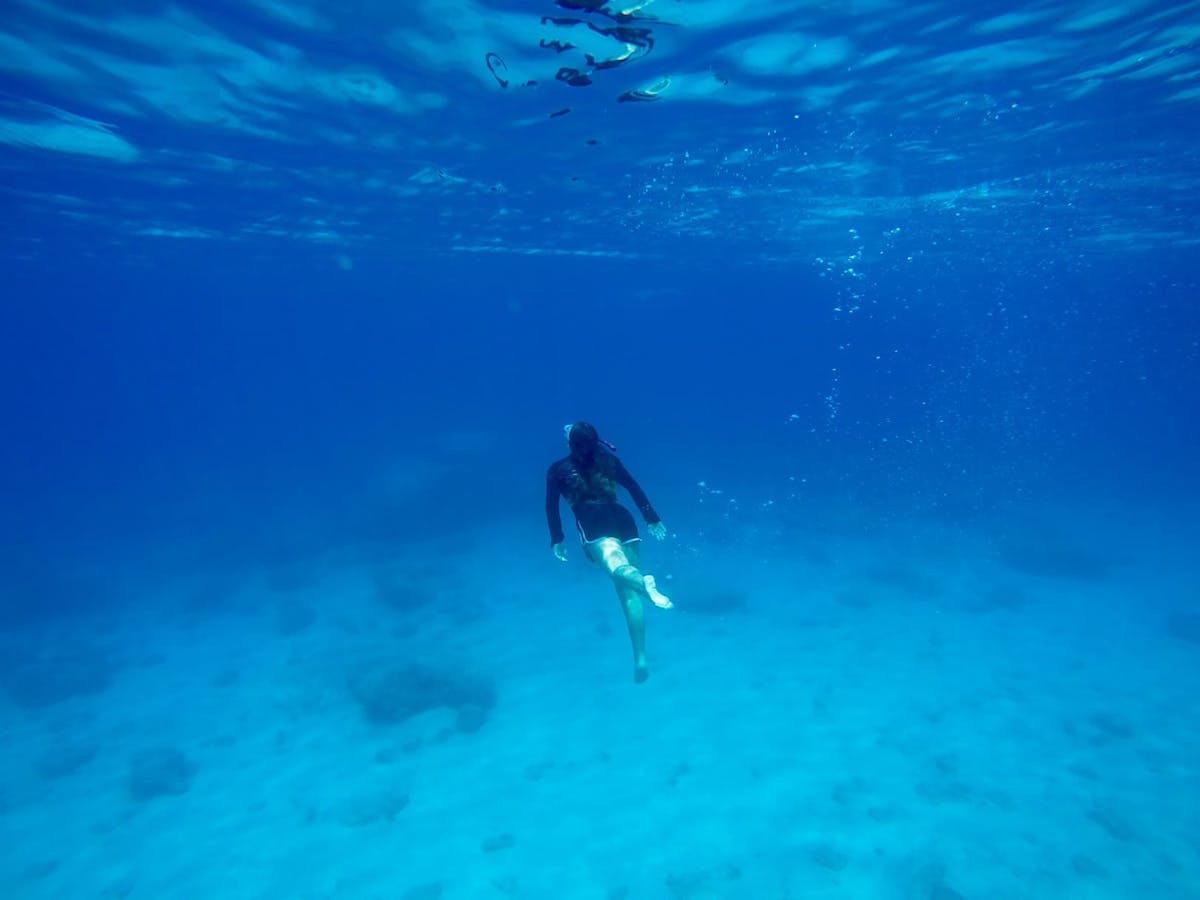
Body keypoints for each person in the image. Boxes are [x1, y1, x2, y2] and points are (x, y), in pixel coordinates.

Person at [545, 422, 673, 683]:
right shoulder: (609, 461)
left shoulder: (557, 470)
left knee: (619, 571)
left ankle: (644, 581)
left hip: (593, 521)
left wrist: (557, 538)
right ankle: (640, 657)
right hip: (623, 519)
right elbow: (633, 487)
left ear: (571, 444)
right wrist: (652, 518)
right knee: (626, 591)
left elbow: (551, 507)